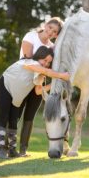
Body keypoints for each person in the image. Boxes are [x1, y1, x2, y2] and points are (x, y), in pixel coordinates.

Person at [0, 46, 69, 159]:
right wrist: (61, 76)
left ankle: (12, 150)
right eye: (45, 60)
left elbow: (38, 91)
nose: (46, 64)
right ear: (39, 56)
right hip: (5, 86)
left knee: (13, 120)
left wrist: (56, 83)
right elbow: (45, 70)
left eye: (49, 62)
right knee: (4, 116)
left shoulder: (40, 72)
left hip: (17, 96)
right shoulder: (30, 62)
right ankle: (0, 149)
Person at [18, 17, 63, 157]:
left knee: (29, 117)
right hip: (22, 81)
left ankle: (23, 150)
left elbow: (51, 66)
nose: (51, 32)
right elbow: (27, 60)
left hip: (38, 84)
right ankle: (8, 148)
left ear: (56, 35)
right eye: (50, 28)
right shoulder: (30, 36)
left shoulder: (52, 48)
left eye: (54, 32)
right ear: (45, 25)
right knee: (16, 115)